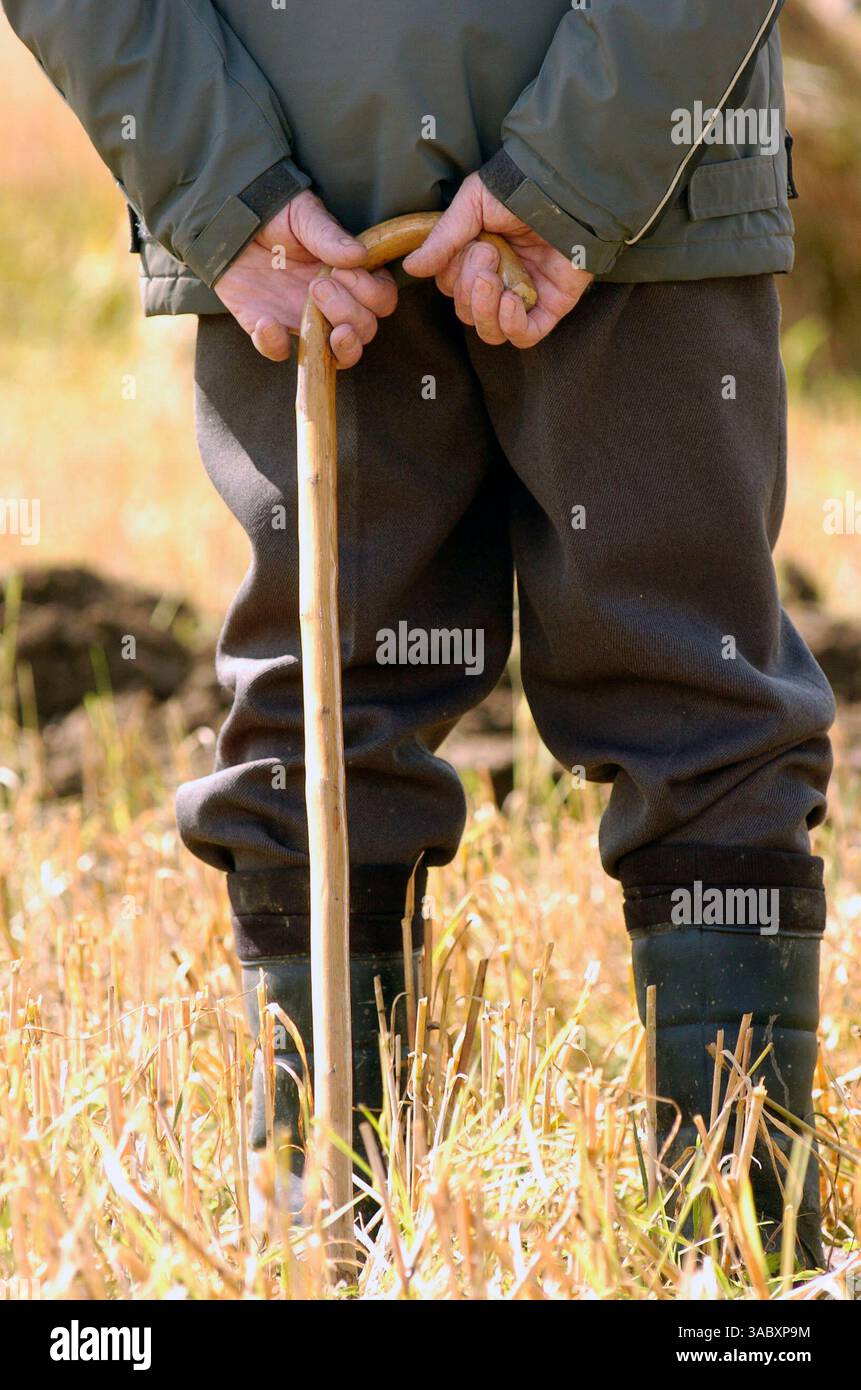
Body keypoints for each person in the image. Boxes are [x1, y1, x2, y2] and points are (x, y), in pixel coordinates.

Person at [4, 1, 834, 1263]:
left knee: (323, 708)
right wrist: (584, 164)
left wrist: (222, 181)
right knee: (699, 705)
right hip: (650, 182)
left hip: (299, 194)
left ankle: (318, 1236)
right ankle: (748, 1256)